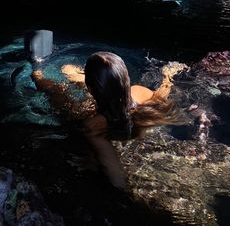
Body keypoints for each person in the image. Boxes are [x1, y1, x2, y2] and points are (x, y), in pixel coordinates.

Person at [32, 52, 187, 189]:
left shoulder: (94, 125)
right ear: (126, 78)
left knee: (55, 84)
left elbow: (116, 176)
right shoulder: (140, 91)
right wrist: (168, 76)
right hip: (141, 114)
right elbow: (162, 95)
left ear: (90, 89)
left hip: (103, 118)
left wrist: (92, 162)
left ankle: (38, 74)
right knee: (70, 72)